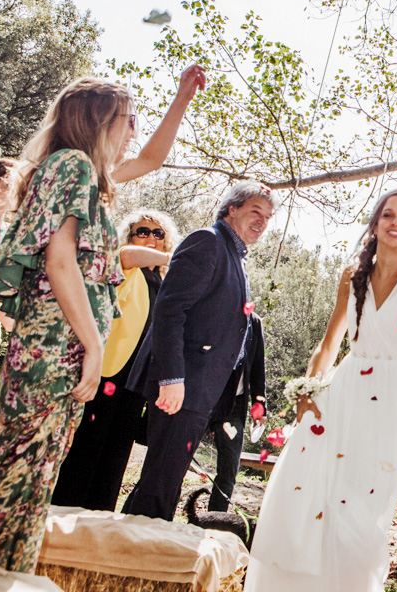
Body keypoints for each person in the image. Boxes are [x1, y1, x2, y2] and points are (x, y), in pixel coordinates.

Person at [0, 66, 206, 573]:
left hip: (58, 340)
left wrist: (182, 97)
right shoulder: (73, 167)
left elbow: (153, 159)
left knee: (30, 470)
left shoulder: (83, 171)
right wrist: (93, 345)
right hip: (55, 340)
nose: (134, 130)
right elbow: (60, 260)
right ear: (98, 120)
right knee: (23, 471)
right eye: (128, 120)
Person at [244, 106, 397, 591]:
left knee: (366, 506)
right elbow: (329, 343)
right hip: (345, 390)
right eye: (387, 215)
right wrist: (308, 390)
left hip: (395, 399)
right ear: (375, 225)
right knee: (312, 489)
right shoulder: (351, 277)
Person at [122, 181, 276, 521]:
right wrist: (172, 378)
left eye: (268, 216)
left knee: (163, 478)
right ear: (231, 209)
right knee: (161, 480)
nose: (262, 222)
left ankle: (130, 549)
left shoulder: (234, 254)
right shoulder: (208, 241)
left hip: (201, 390)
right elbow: (169, 310)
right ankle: (138, 553)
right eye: (255, 212)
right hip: (181, 385)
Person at [51, 210, 180, 511]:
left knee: (117, 454)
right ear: (131, 237)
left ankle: (98, 521)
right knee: (87, 447)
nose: (150, 237)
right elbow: (128, 255)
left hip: (139, 379)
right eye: (142, 231)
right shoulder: (126, 266)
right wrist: (179, 258)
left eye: (158, 233)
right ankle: (64, 513)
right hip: (109, 370)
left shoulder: (166, 283)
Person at [203, 308, 264, 512]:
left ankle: (214, 522)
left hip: (234, 407)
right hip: (203, 397)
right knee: (178, 460)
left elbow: (257, 369)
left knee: (229, 470)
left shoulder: (254, 323)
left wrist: (259, 406)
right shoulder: (216, 311)